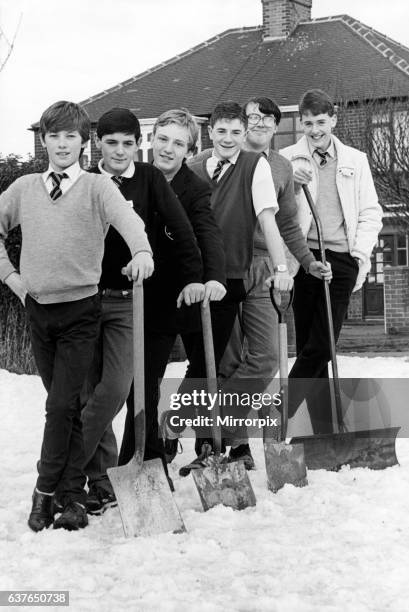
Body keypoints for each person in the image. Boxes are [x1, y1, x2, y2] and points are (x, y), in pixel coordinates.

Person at [0, 101, 153, 532]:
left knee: (62, 405)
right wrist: (12, 277)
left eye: (71, 136)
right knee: (65, 407)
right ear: (44, 141)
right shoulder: (25, 188)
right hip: (37, 312)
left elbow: (129, 221)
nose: (63, 144)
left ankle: (43, 491)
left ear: (84, 143)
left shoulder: (97, 188)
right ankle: (71, 496)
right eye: (55, 136)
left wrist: (142, 251)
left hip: (82, 310)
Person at [80, 107, 204, 515]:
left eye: (128, 144)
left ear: (139, 145)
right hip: (83, 298)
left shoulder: (148, 179)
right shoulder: (85, 181)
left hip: (130, 298)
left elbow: (182, 230)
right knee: (89, 390)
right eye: (111, 143)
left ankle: (73, 465)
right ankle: (95, 479)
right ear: (98, 142)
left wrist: (193, 277)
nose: (119, 151)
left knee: (118, 389)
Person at [171, 100, 294, 468]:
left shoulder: (256, 166)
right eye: (221, 131)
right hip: (203, 277)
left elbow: (269, 220)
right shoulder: (192, 168)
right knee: (217, 364)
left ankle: (219, 421)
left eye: (236, 132)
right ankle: (213, 450)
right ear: (210, 132)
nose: (228, 139)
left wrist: (283, 266)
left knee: (266, 357)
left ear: (246, 134)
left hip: (241, 273)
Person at [218, 96, 331, 466]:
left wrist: (308, 261)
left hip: (266, 266)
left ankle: (220, 419)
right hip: (225, 266)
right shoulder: (212, 160)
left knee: (266, 358)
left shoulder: (281, 167)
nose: (261, 123)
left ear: (276, 125)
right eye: (253, 117)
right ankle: (235, 446)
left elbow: (286, 225)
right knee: (229, 358)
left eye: (269, 118)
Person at [118, 108, 226, 470]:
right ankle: (141, 458)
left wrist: (213, 278)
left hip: (178, 290)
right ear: (151, 140)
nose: (167, 148)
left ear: (189, 150)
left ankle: (171, 446)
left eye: (178, 143)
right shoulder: (132, 178)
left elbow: (207, 233)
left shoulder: (194, 188)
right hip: (133, 292)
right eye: (162, 139)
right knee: (141, 382)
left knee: (191, 369)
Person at [280, 88, 383, 433]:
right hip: (304, 258)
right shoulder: (287, 159)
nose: (314, 130)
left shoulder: (356, 159)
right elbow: (278, 213)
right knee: (312, 346)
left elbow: (371, 212)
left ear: (333, 119)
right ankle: (323, 431)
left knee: (322, 344)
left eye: (320, 122)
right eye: (307, 123)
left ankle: (281, 409)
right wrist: (293, 186)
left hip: (340, 259)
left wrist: (358, 255)